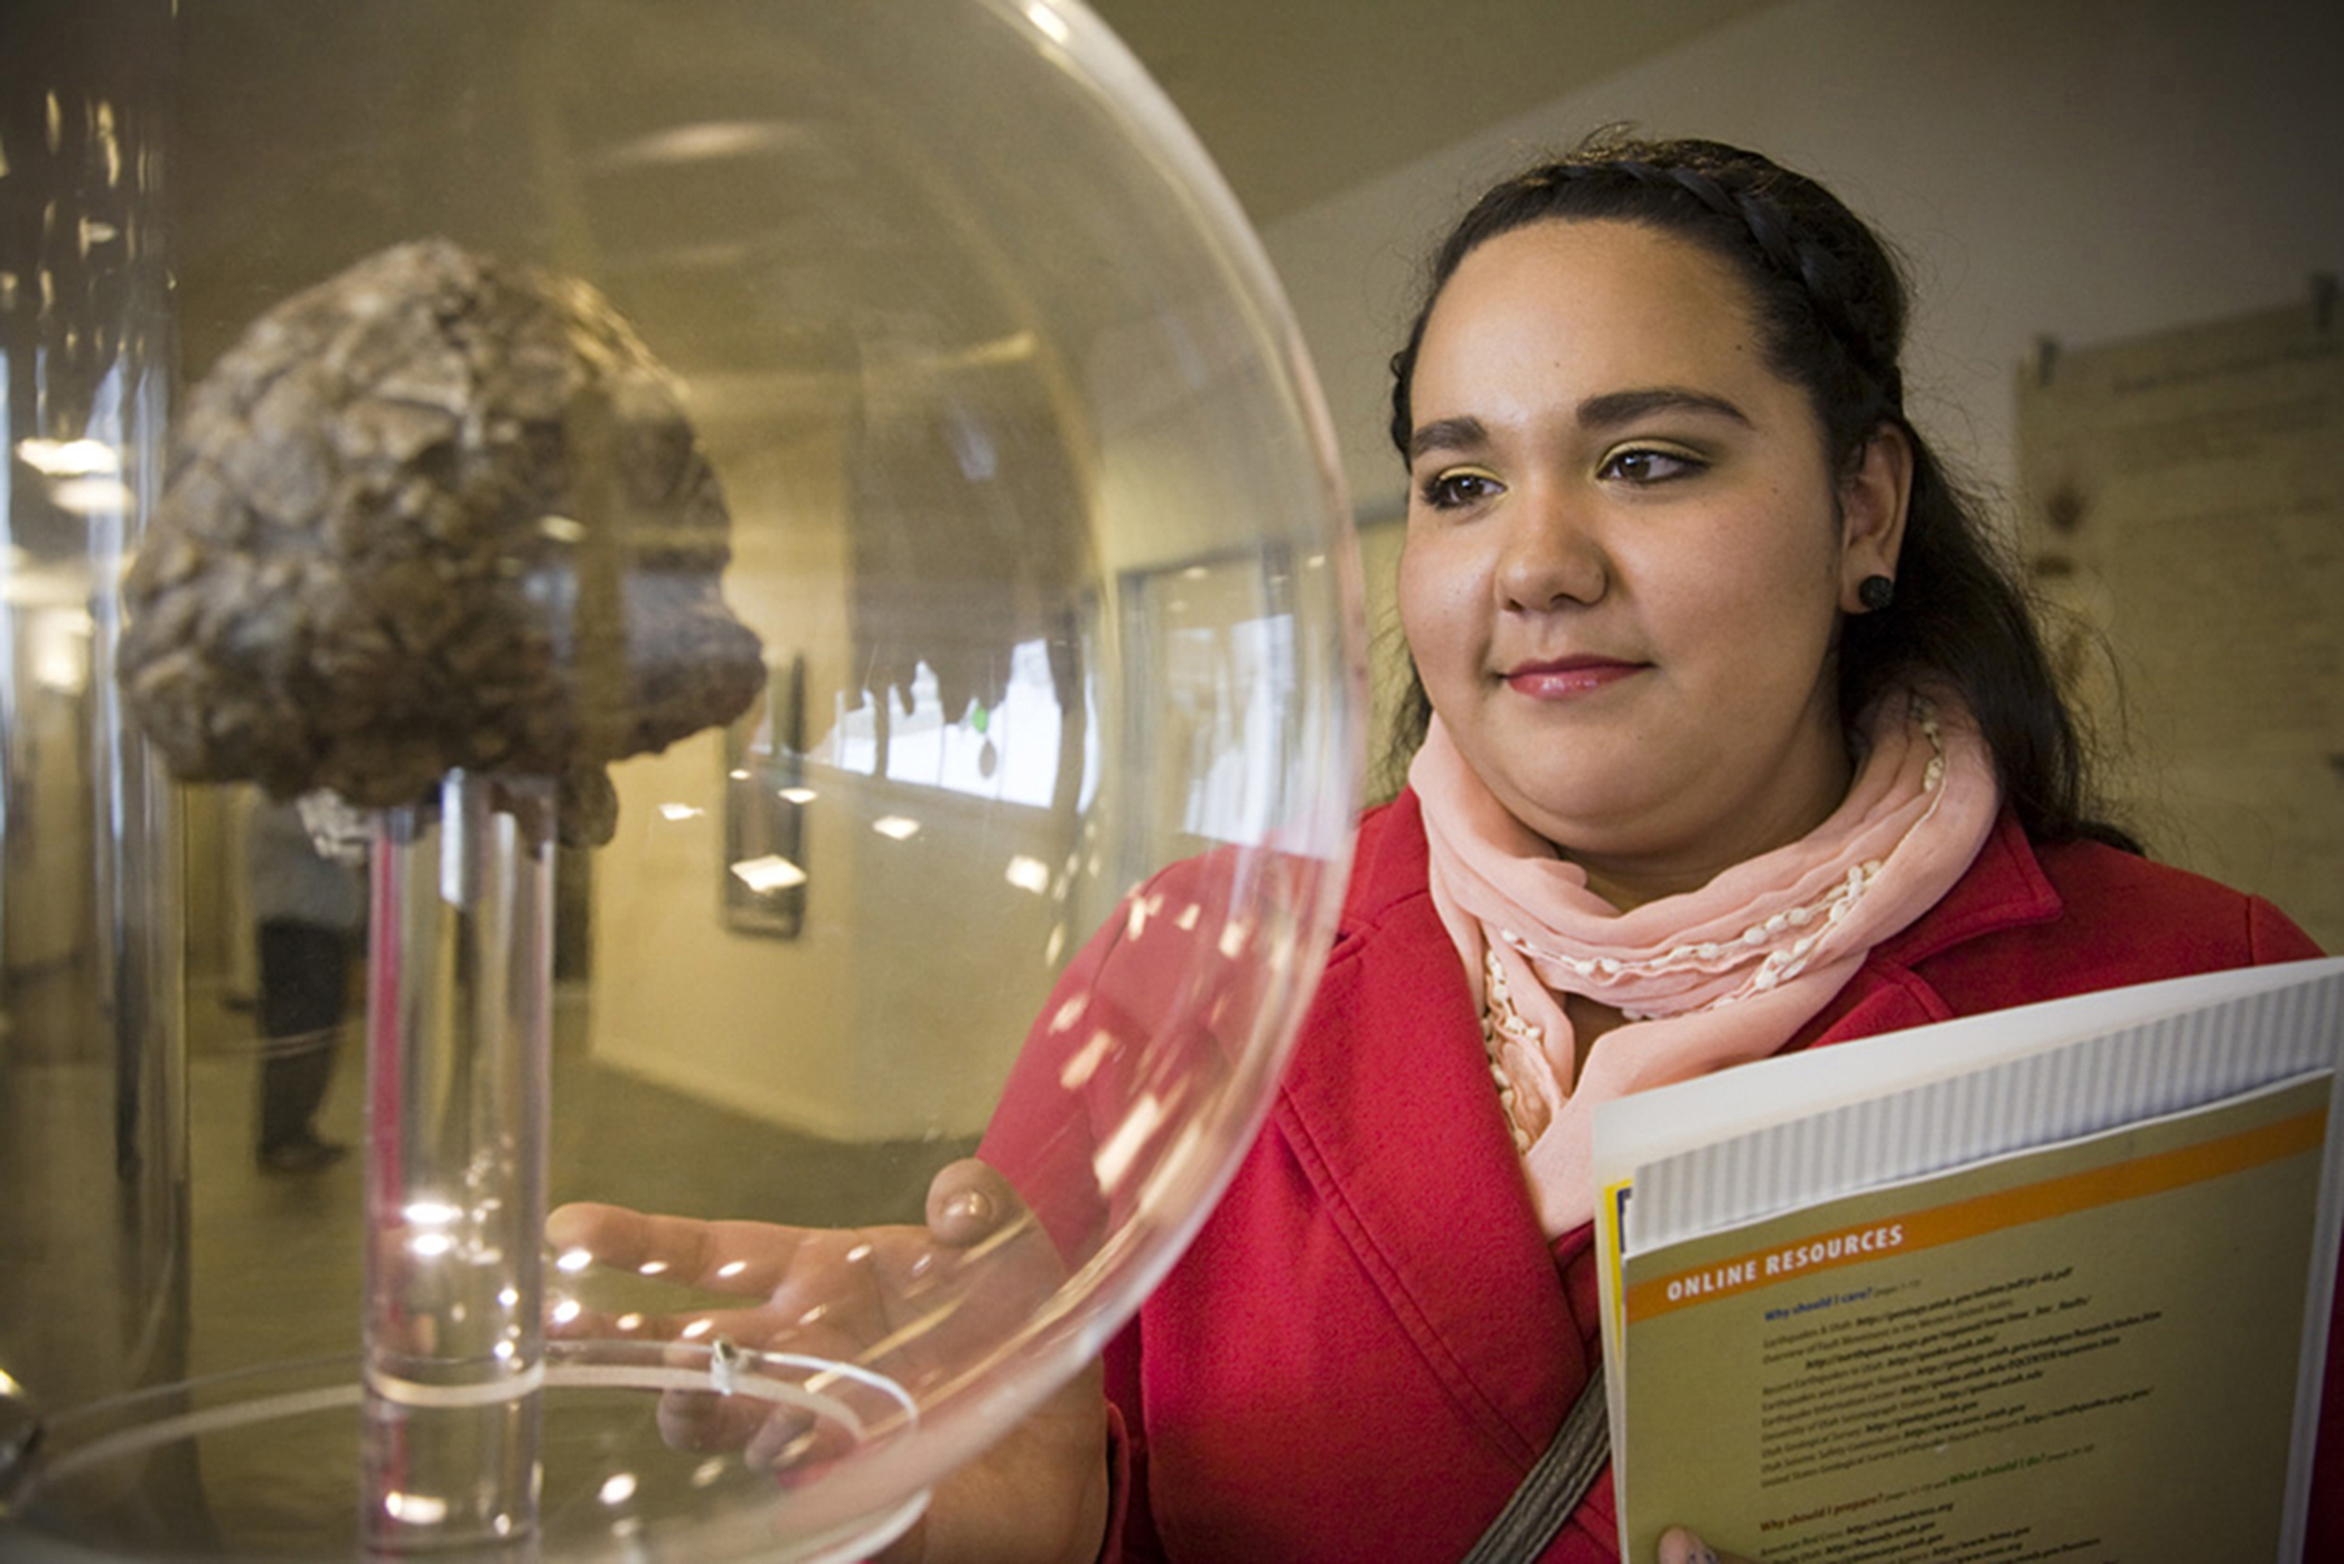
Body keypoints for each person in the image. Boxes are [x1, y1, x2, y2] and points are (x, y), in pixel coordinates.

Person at [549, 136, 2329, 1562]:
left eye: (1643, 459)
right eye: (1460, 482)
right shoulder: (1189, 969)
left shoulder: (2193, 983)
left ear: (1860, 507)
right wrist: (1049, 1520)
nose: (1531, 560)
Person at [248, 794, 366, 1173]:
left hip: (320, 934)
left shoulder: (303, 800)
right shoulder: (282, 802)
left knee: (318, 1033)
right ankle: (281, 1138)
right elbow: (344, 842)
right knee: (297, 1033)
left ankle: (299, 1129)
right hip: (297, 935)